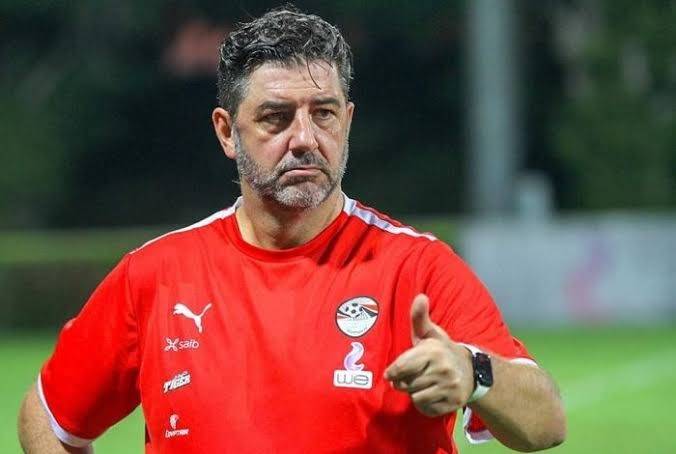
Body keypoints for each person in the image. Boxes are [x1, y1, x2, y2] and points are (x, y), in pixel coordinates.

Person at [18, 6, 565, 453]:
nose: (304, 138)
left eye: (323, 113)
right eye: (276, 117)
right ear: (227, 132)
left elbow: (545, 423)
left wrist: (473, 370)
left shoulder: (417, 268)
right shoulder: (156, 275)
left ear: (347, 121)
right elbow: (47, 415)